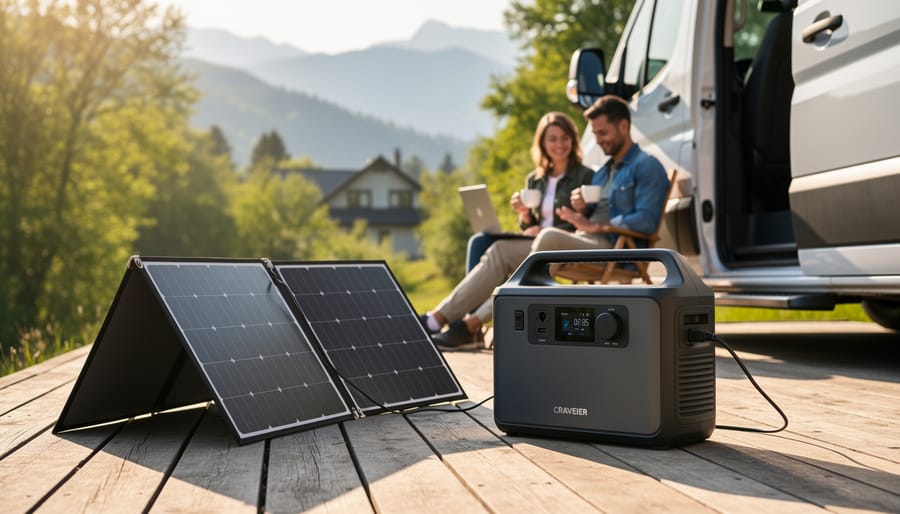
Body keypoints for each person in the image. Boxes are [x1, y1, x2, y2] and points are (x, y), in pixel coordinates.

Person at [427, 95, 670, 350]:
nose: (598, 140)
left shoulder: (646, 166)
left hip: (614, 249)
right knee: (499, 251)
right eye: (595, 134)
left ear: (623, 126)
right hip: (582, 241)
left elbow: (647, 220)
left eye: (603, 133)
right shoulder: (603, 171)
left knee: (549, 237)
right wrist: (581, 210)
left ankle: (471, 325)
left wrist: (596, 226)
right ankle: (437, 318)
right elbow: (590, 216)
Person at [421, 111, 594, 348]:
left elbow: (588, 221)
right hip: (535, 242)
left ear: (573, 140)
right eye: (552, 139)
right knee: (483, 242)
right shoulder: (535, 179)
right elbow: (531, 223)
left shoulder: (586, 176)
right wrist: (525, 215)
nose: (559, 144)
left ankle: (463, 325)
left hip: (561, 245)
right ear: (542, 143)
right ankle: (439, 319)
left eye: (565, 138)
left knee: (498, 250)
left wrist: (577, 212)